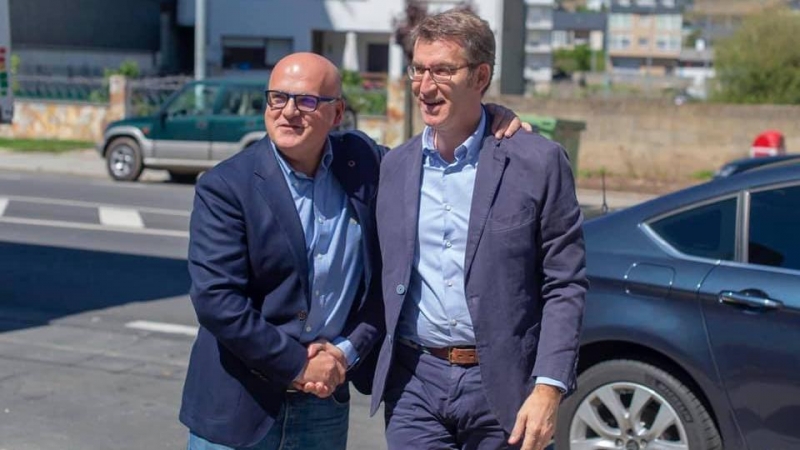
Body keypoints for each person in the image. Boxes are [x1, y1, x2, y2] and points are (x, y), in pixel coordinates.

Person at [179, 51, 530, 450]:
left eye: (308, 100)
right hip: (239, 405)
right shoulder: (226, 186)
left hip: (323, 403)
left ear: (337, 113)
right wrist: (299, 364)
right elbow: (216, 301)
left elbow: (386, 281)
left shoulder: (363, 163)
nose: (289, 111)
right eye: (278, 98)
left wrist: (491, 118)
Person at [370, 9, 588, 450]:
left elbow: (564, 284)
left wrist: (549, 388)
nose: (425, 87)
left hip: (505, 386)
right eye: (419, 69)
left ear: (480, 75)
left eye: (443, 71)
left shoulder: (536, 162)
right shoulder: (392, 166)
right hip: (415, 384)